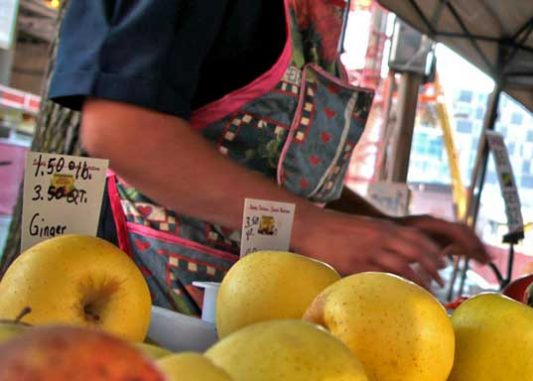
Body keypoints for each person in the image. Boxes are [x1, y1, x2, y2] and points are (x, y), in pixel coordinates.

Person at [48, 0, 489, 315]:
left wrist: (380, 230)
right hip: (143, 305)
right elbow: (124, 129)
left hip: (253, 321)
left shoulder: (314, 20)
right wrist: (316, 228)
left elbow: (274, 173)